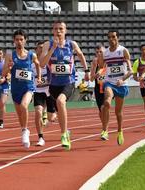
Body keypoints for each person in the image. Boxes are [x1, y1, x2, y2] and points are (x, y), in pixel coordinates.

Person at [39, 20, 90, 150]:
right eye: (56, 29)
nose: (58, 31)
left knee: (61, 102)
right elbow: (42, 63)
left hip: (68, 82)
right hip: (53, 85)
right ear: (52, 31)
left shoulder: (71, 44)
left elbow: (81, 55)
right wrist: (53, 49)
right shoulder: (47, 45)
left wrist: (86, 71)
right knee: (59, 110)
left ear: (65, 31)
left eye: (61, 29)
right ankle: (66, 131)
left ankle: (63, 135)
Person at [2, 29, 41, 148]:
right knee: (20, 114)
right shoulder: (10, 55)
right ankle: (24, 129)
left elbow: (38, 64)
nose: (19, 42)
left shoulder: (31, 55)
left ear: (25, 41)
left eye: (21, 39)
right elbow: (4, 73)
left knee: (24, 106)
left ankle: (25, 132)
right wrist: (9, 67)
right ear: (14, 41)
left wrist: (38, 77)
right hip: (15, 88)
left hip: (28, 87)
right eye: (17, 39)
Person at [97, 30, 132, 145]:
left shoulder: (123, 51)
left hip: (121, 84)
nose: (111, 39)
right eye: (109, 37)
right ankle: (105, 130)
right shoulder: (105, 53)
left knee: (118, 112)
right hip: (109, 83)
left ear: (118, 38)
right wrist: (100, 71)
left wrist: (122, 80)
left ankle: (120, 131)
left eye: (113, 37)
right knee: (106, 102)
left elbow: (131, 71)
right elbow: (102, 66)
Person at [33, 40, 57, 146]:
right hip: (38, 91)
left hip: (49, 91)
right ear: (36, 49)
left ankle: (49, 115)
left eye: (43, 47)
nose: (41, 49)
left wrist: (49, 81)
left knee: (51, 118)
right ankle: (40, 137)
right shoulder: (31, 63)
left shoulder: (48, 62)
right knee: (38, 111)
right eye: (39, 47)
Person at [132, 44, 145, 127]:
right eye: (142, 50)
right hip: (143, 85)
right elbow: (134, 76)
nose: (144, 51)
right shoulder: (137, 62)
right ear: (140, 51)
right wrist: (138, 79)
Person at [90, 45, 106, 126]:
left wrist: (101, 70)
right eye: (97, 52)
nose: (99, 54)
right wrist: (95, 69)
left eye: (101, 52)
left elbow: (105, 68)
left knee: (104, 107)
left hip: (107, 87)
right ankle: (104, 125)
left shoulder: (107, 61)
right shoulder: (94, 62)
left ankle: (105, 128)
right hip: (98, 88)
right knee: (101, 110)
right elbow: (91, 79)